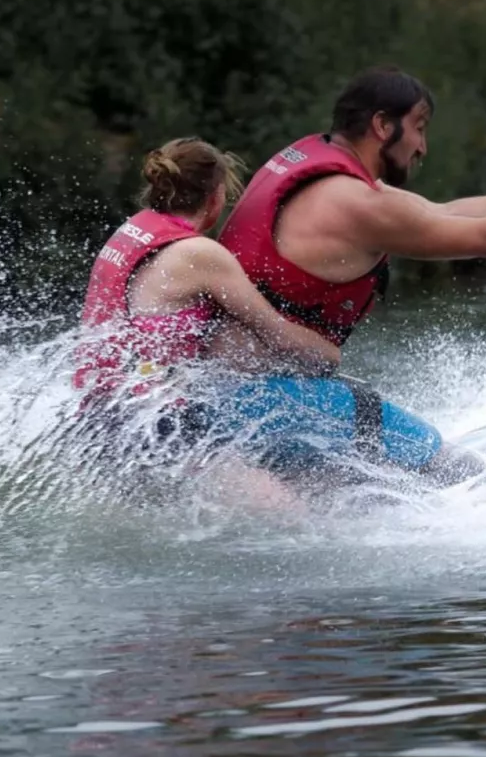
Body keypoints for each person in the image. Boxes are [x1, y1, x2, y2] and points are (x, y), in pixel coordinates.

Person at [211, 64, 486, 487]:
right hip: (263, 400)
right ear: (382, 125)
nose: (422, 147)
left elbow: (439, 214)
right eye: (419, 127)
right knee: (459, 474)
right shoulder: (356, 204)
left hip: (231, 395)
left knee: (361, 476)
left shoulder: (323, 169)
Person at [73, 138, 341, 500]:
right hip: (158, 424)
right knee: (291, 516)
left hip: (99, 418)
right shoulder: (200, 254)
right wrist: (329, 356)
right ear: (215, 198)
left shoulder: (133, 230)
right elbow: (278, 335)